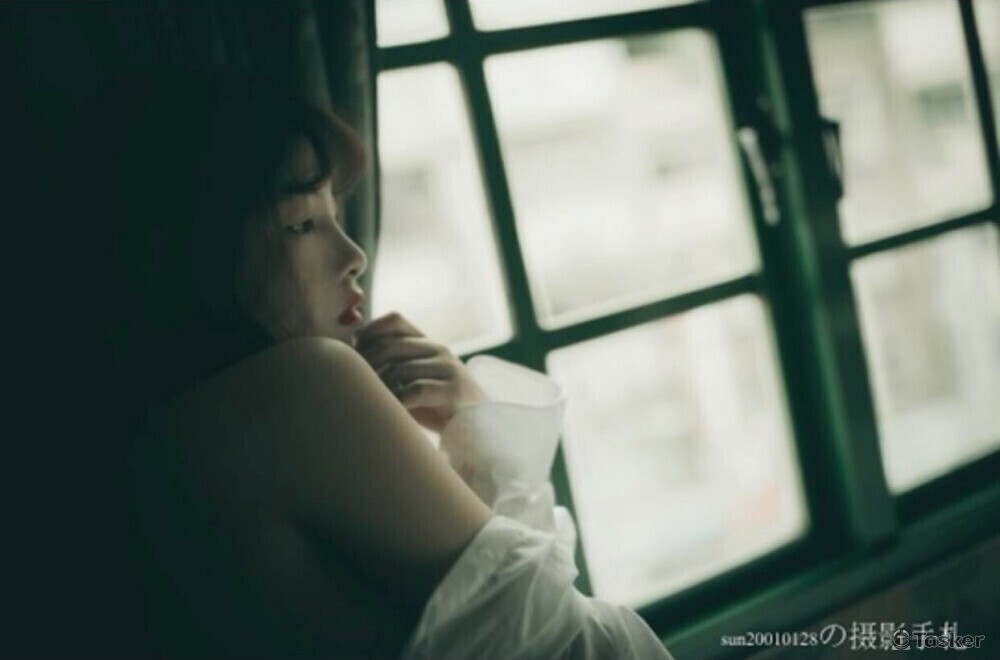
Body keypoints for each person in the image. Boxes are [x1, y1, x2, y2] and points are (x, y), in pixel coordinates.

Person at [86, 69, 675, 658]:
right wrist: (485, 434)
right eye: (301, 224)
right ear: (201, 249)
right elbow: (570, 644)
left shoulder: (163, 438)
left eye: (336, 216)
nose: (354, 255)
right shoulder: (302, 384)